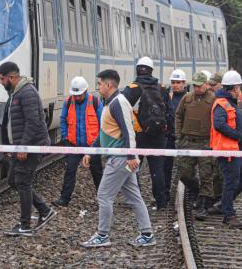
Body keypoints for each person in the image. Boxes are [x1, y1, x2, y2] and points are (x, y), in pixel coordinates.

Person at [81, 69, 154, 248]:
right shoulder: (110, 103)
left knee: (104, 195)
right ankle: (147, 234)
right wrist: (91, 151)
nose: (97, 87)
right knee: (134, 197)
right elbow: (105, 133)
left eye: (99, 84)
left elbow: (128, 131)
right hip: (121, 157)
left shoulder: (117, 103)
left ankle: (102, 235)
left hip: (120, 158)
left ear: (108, 84)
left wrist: (130, 155)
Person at [0, 62, 55, 236]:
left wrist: (24, 147)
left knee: (23, 181)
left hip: (32, 146)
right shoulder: (16, 92)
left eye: (2, 78)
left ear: (12, 77)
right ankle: (45, 210)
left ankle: (25, 225)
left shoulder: (27, 93)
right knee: (14, 181)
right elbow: (12, 122)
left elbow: (34, 122)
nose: (1, 82)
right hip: (21, 146)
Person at [123, 56, 169, 210]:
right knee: (157, 170)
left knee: (133, 169)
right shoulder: (161, 88)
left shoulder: (132, 88)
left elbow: (121, 109)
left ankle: (135, 200)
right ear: (151, 70)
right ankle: (161, 201)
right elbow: (170, 112)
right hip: (159, 135)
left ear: (137, 70)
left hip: (138, 136)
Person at [211, 70, 242, 229]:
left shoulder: (230, 102)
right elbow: (219, 124)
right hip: (229, 150)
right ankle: (228, 214)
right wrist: (237, 135)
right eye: (239, 87)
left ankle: (224, 203)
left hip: (237, 150)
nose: (240, 90)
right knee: (231, 183)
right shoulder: (222, 103)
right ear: (235, 88)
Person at [175, 71, 219, 219]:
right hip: (188, 142)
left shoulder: (213, 100)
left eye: (200, 85)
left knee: (207, 175)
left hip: (206, 143)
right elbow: (179, 116)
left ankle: (202, 206)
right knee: (184, 173)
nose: (197, 88)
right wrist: (179, 136)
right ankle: (196, 191)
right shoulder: (187, 99)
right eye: (195, 86)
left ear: (206, 84)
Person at [54, 76, 103, 207]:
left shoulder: (95, 102)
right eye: (75, 95)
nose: (76, 98)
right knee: (70, 171)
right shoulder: (68, 102)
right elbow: (63, 120)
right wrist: (65, 138)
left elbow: (102, 124)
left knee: (97, 172)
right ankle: (64, 199)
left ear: (85, 91)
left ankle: (103, 198)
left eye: (79, 95)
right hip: (73, 145)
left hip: (92, 145)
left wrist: (98, 143)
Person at [161, 69, 187, 202]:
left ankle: (189, 195)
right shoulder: (168, 97)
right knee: (166, 167)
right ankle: (164, 194)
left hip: (184, 138)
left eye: (178, 82)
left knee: (186, 168)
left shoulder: (188, 98)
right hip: (169, 137)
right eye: (173, 82)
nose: (175, 85)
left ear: (184, 83)